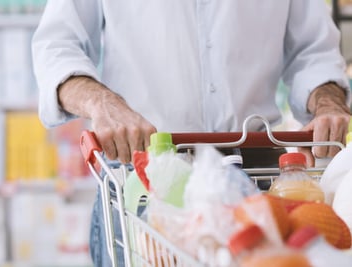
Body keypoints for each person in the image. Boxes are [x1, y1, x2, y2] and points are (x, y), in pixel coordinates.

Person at [32, 1, 352, 266]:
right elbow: (56, 46)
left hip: (256, 183)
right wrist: (102, 102)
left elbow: (314, 52)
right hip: (143, 185)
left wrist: (328, 103)